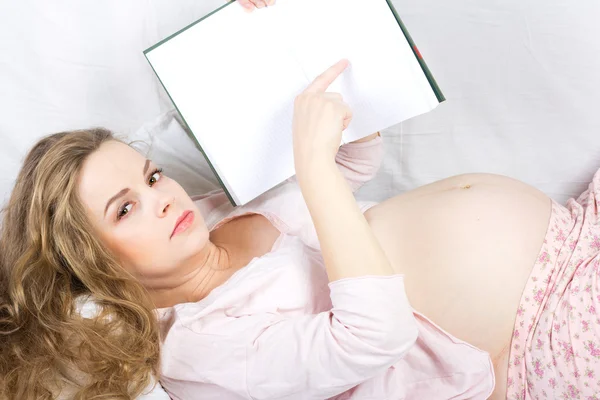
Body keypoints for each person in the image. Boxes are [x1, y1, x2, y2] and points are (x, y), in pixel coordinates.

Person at [1, 4, 599, 400]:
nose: (161, 197)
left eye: (152, 176)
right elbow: (373, 337)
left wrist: (283, 42)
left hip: (574, 233)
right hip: (538, 337)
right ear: (90, 266)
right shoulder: (198, 348)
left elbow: (346, 169)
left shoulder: (210, 216)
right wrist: (310, 165)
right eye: (124, 208)